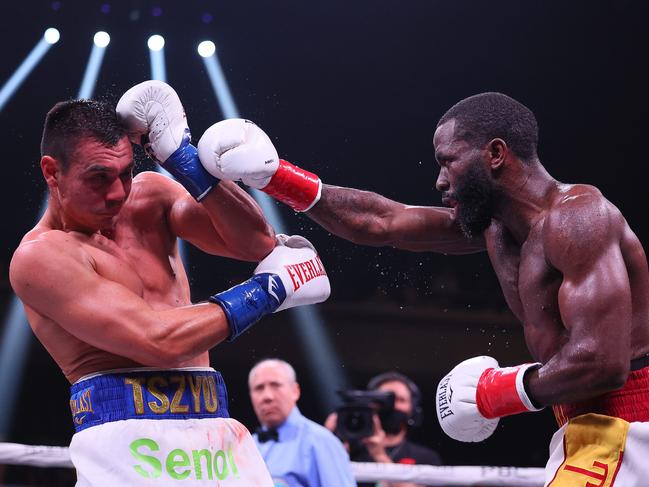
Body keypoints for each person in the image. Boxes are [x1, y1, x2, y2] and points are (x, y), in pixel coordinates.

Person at [198, 93, 649, 485]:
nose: (439, 180)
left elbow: (603, 362)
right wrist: (276, 177)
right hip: (584, 424)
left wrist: (495, 392)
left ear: (495, 153)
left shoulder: (578, 218)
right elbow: (383, 221)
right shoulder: (497, 228)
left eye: (448, 161)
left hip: (630, 421)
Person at [8, 80, 330, 486]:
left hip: (217, 434)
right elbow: (159, 341)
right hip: (128, 446)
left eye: (125, 173)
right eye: (98, 177)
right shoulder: (40, 257)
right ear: (52, 172)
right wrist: (269, 289)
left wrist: (182, 158)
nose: (117, 193)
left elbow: (256, 243)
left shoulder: (149, 198)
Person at [248, 358, 356, 487]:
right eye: (259, 388)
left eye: (276, 385)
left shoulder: (321, 441)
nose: (267, 396)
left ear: (295, 391)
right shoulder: (247, 447)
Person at [326, 372, 442, 487]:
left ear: (413, 409)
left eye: (401, 400)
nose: (393, 406)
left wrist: (379, 455)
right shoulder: (350, 451)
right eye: (386, 400)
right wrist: (328, 444)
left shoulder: (426, 458)